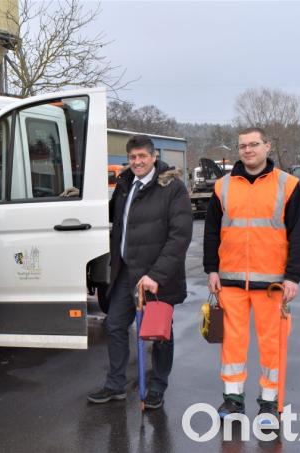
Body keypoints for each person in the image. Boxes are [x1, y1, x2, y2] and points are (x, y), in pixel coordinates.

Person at [204, 127, 300, 423]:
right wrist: (212, 269)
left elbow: (298, 234)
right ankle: (233, 400)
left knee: (272, 345)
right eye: (242, 146)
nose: (248, 150)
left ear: (267, 146)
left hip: (273, 284)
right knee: (232, 344)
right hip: (230, 281)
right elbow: (211, 233)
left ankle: (269, 403)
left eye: (254, 145)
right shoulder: (222, 186)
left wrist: (293, 276)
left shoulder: (287, 185)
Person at [88, 134, 192, 410]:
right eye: (132, 157)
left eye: (142, 156)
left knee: (159, 333)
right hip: (126, 272)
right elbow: (113, 220)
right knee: (114, 325)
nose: (137, 162)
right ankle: (115, 385)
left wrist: (156, 275)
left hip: (157, 276)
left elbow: (179, 237)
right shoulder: (125, 185)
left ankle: (157, 386)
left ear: (154, 156)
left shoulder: (173, 188)